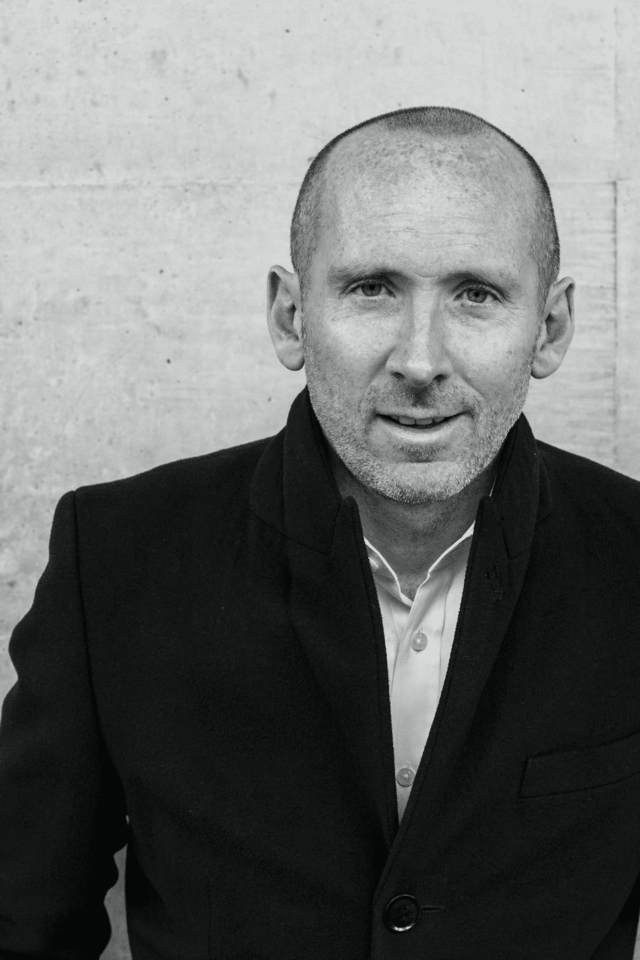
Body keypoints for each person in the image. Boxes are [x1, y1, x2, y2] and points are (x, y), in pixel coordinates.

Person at [1, 105, 639, 960]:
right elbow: (22, 924)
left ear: (550, 329)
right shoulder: (115, 559)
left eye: (476, 295)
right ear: (291, 316)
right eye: (372, 288)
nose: (420, 360)